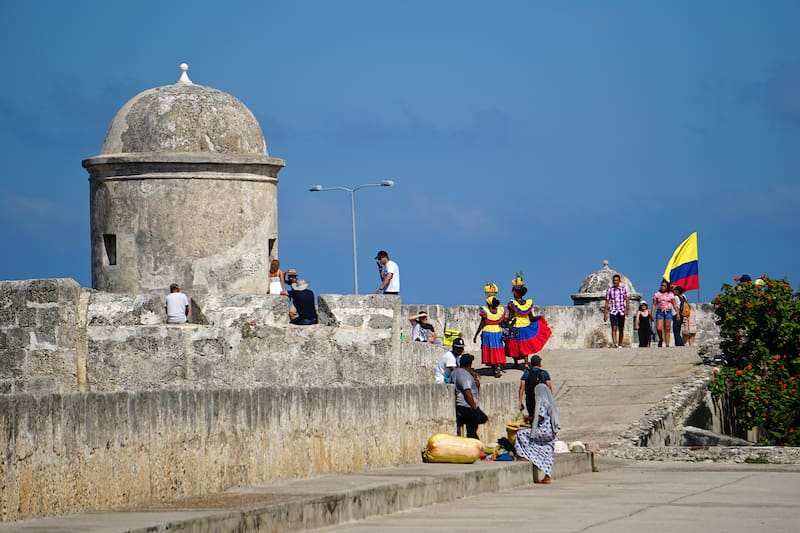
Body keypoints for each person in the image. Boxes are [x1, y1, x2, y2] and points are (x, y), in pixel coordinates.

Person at [514, 383, 559, 484]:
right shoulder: (550, 403)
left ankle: (524, 455)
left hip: (543, 432)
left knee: (520, 433)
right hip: (551, 433)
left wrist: (527, 418)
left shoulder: (542, 403)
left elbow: (539, 417)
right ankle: (547, 476)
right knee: (546, 449)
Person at [505, 274, 552, 368]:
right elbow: (531, 317)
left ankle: (516, 363)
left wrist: (505, 320)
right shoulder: (527, 304)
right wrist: (540, 318)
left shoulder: (512, 304)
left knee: (514, 344)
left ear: (514, 292)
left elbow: (510, 317)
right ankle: (526, 363)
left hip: (516, 326)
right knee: (525, 345)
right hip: (526, 326)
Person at [452, 354, 487, 440]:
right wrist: (474, 408)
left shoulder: (456, 372)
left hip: (464, 406)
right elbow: (468, 393)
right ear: (470, 364)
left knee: (482, 419)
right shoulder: (464, 375)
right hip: (467, 406)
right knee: (473, 431)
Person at [473, 294, 507, 378]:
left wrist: (476, 335)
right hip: (497, 332)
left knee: (490, 350)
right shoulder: (500, 311)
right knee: (497, 350)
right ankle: (497, 367)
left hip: (487, 332)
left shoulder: (485, 311)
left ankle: (494, 368)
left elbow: (482, 323)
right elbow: (503, 322)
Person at [603, 274, 629, 347]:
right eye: (614, 280)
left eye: (616, 280)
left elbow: (627, 300)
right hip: (613, 311)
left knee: (621, 328)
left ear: (619, 281)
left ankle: (620, 344)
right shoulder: (610, 290)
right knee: (614, 327)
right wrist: (605, 314)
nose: (615, 282)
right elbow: (607, 302)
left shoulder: (623, 289)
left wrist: (626, 309)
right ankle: (615, 343)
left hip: (621, 311)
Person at [652, 280, 678, 347]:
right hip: (660, 312)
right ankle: (661, 339)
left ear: (667, 287)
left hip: (668, 312)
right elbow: (654, 304)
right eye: (661, 285)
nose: (662, 287)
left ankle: (667, 344)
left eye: (664, 286)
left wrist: (677, 313)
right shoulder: (657, 294)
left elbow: (674, 305)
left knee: (667, 329)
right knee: (659, 328)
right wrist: (652, 313)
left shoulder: (671, 294)